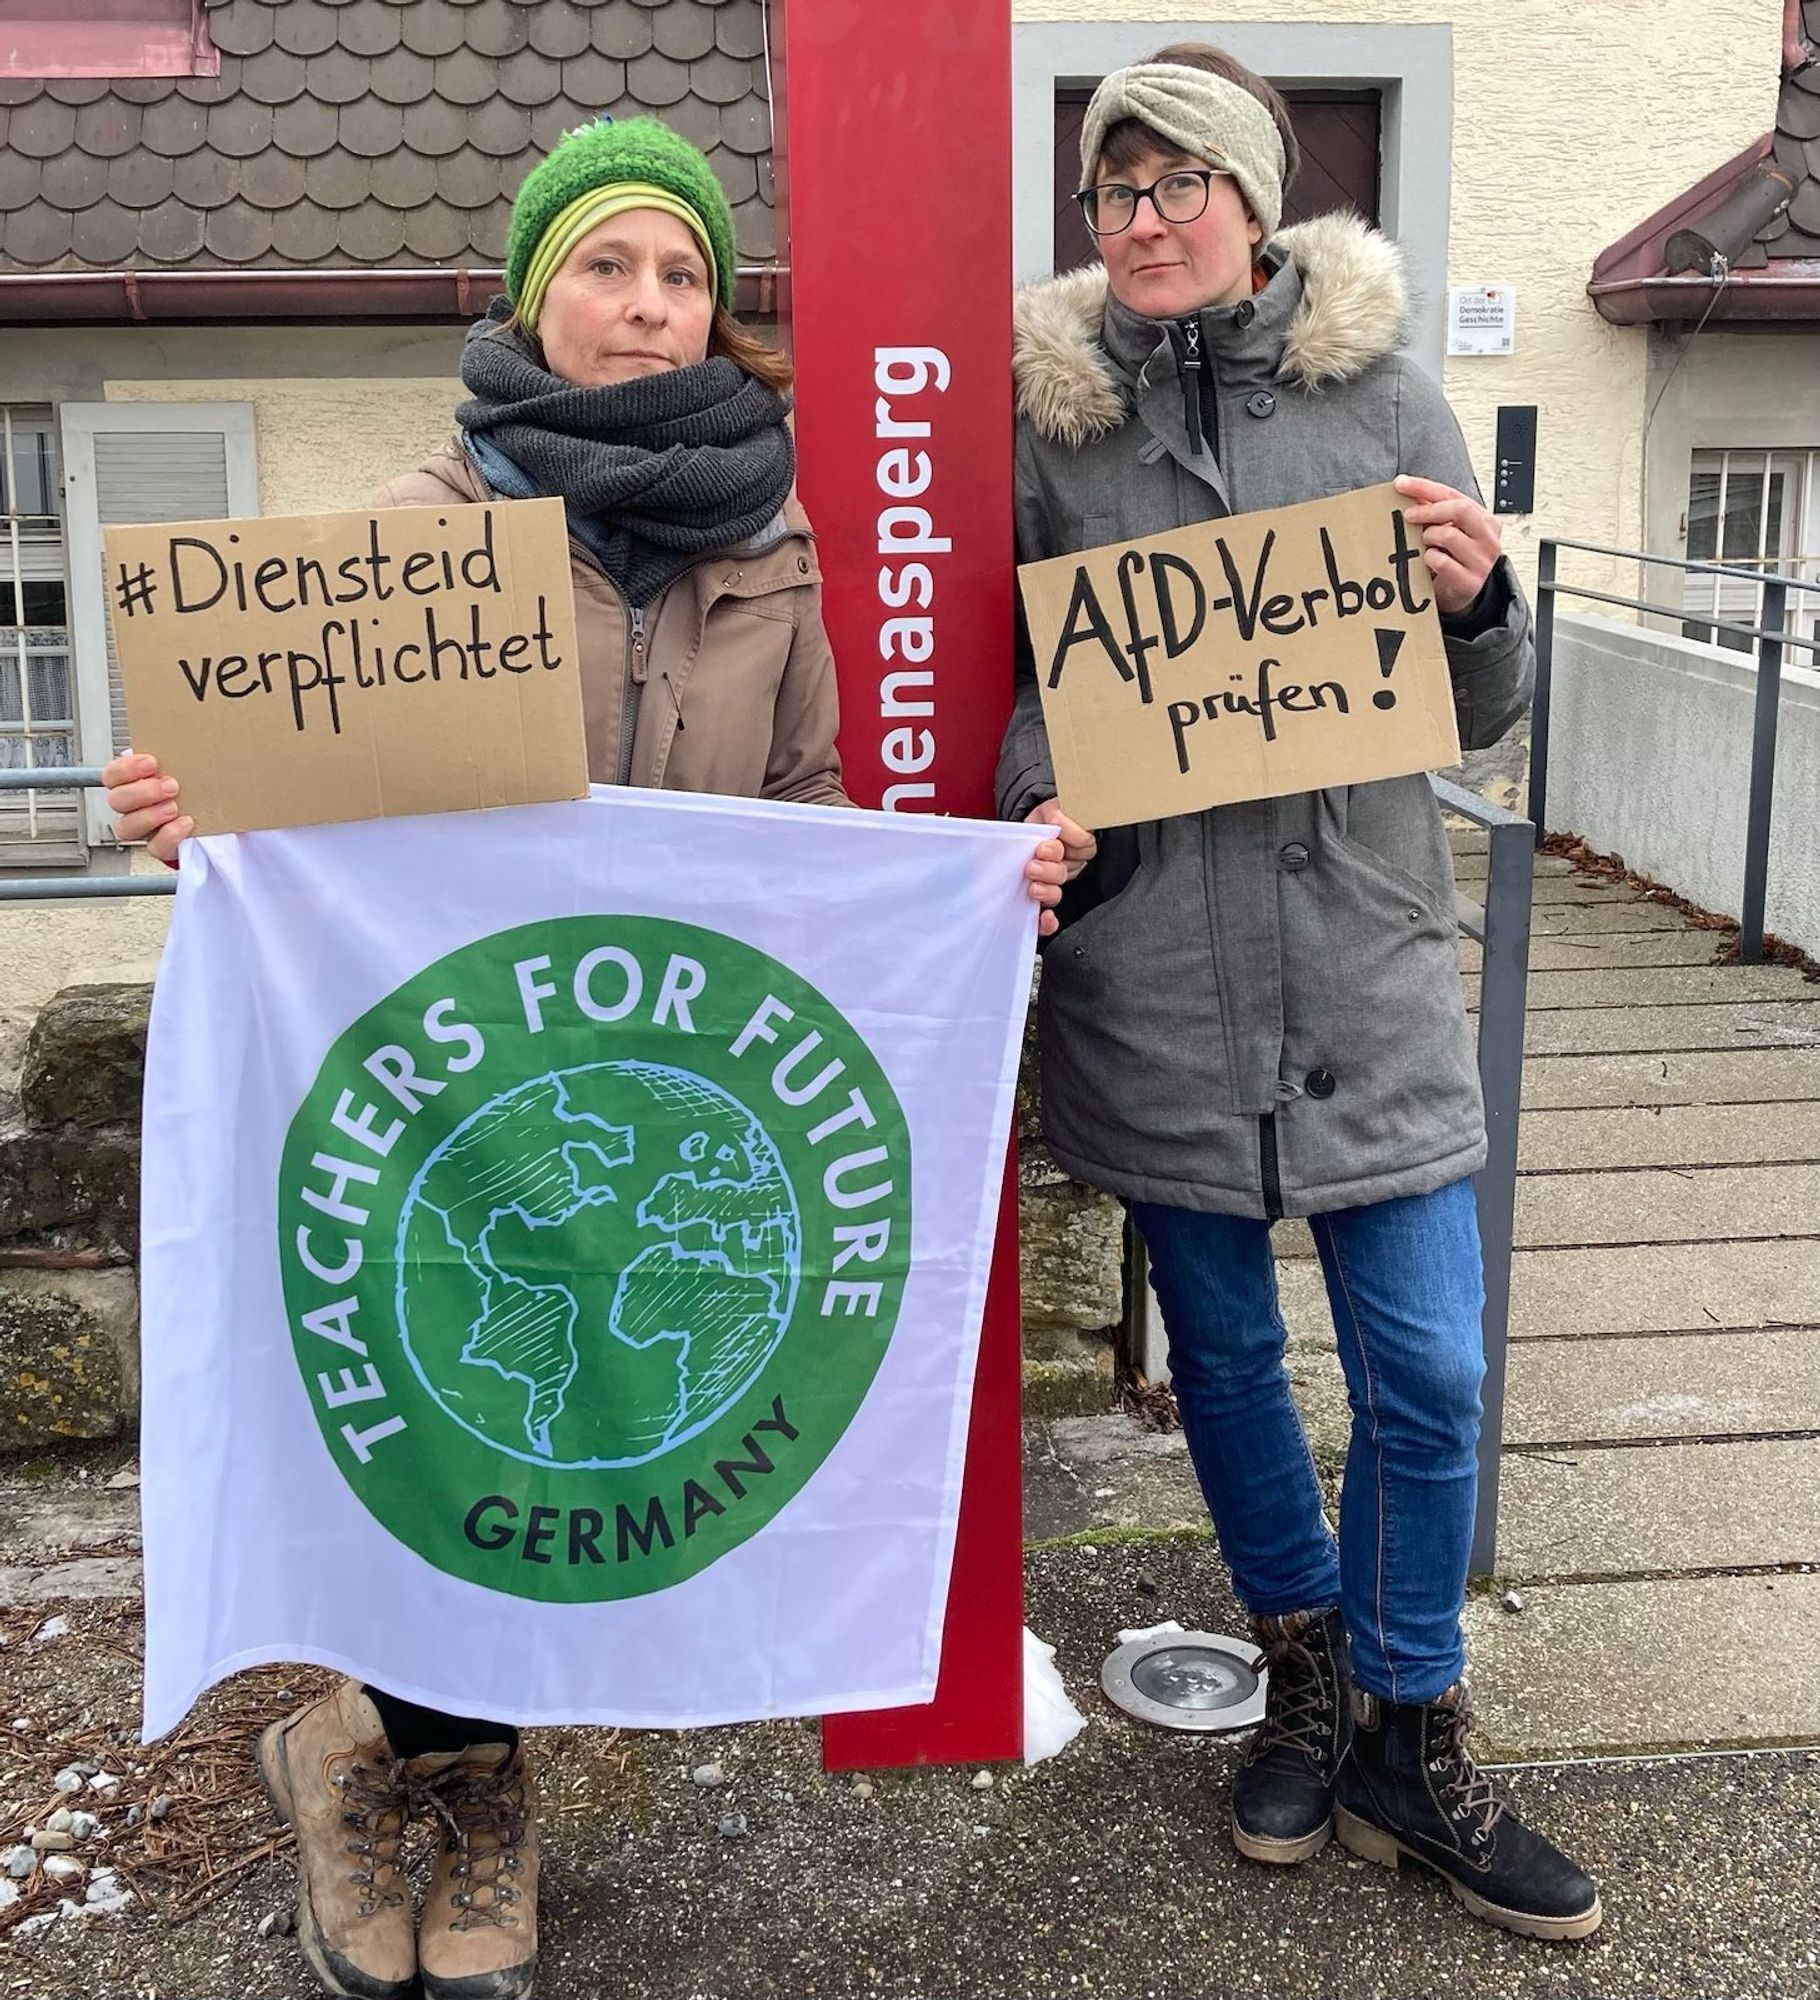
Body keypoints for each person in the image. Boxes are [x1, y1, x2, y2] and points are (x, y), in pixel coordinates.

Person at [106, 115, 1071, 2000]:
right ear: (537, 290)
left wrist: (970, 887)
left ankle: (415, 1764)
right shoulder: (417, 539)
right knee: (440, 1416)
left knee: (582, 1450)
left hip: (651, 1074)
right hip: (458, 1086)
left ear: (717, 308)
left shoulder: (775, 541)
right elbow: (304, 829)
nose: (646, 308)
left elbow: (801, 825)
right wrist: (192, 810)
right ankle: (445, 1782)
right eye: (609, 268)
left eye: (683, 274)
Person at [998, 48, 1602, 1942]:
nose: (1146, 221)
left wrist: (1482, 601)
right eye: (1116, 191)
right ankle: (1310, 1669)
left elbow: (1481, 724)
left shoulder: (1387, 395)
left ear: (1260, 208)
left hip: (1360, 960)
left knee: (1427, 1368)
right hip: (1158, 976)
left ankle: (1412, 1728)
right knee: (1231, 1370)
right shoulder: (1053, 431)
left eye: (1182, 187)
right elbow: (1019, 683)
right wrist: (1040, 797)